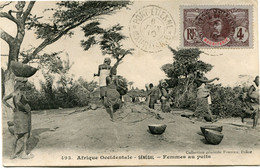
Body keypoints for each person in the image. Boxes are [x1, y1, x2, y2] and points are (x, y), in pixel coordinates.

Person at [2, 77, 33, 159]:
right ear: (21, 84)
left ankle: (12, 154)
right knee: (26, 133)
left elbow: (3, 100)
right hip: (22, 115)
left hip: (16, 115)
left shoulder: (14, 93)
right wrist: (25, 108)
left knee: (16, 135)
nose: (25, 85)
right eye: (24, 83)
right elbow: (17, 102)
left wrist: (11, 108)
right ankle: (24, 154)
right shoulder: (20, 92)